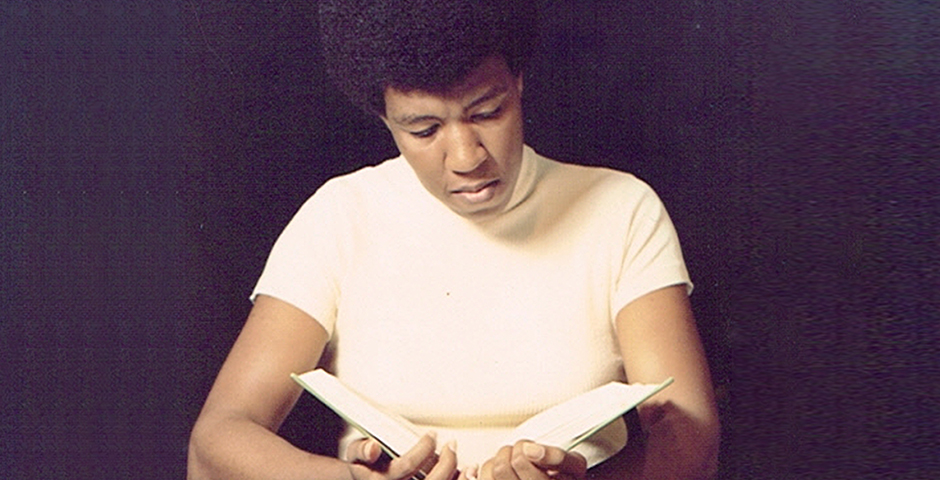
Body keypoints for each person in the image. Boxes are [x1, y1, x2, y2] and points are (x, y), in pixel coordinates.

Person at [187, 1, 720, 479]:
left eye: (487, 112)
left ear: (518, 81)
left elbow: (688, 434)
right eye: (424, 130)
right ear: (384, 118)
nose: (466, 158)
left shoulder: (621, 210)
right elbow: (218, 437)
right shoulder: (340, 217)